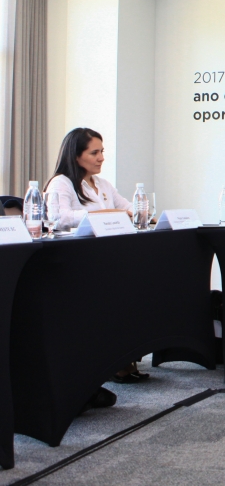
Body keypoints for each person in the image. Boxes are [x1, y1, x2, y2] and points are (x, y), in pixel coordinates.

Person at [44, 127, 149, 391]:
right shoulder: (61, 182)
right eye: (94, 152)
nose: (101, 157)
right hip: (75, 262)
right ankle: (110, 363)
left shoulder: (102, 184)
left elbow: (129, 207)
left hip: (104, 258)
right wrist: (104, 214)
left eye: (102, 151)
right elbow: (59, 218)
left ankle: (122, 359)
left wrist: (139, 211)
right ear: (76, 155)